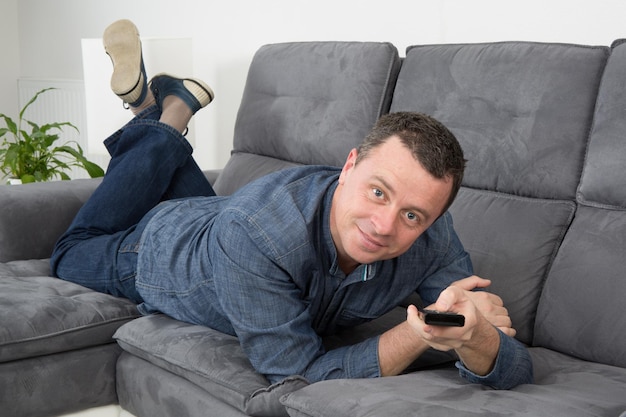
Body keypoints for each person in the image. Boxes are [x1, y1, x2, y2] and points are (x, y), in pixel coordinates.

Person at [51, 19, 533, 389]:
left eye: (412, 215)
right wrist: (416, 335)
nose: (386, 225)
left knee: (238, 228)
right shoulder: (257, 232)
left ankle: (155, 109)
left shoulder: (432, 237)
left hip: (227, 227)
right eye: (377, 191)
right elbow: (296, 374)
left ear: (433, 218)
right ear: (348, 166)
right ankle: (164, 118)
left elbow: (513, 364)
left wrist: (475, 335)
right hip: (161, 249)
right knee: (70, 254)